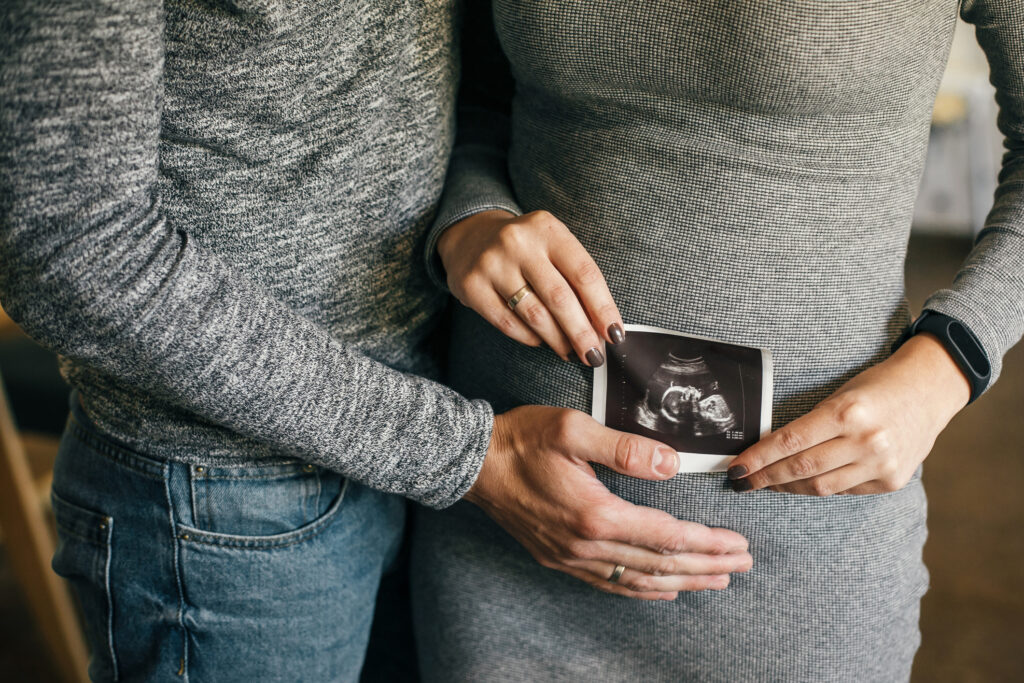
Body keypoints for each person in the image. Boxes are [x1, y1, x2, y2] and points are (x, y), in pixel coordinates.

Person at [0, 1, 754, 681]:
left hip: (428, 435)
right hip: (227, 501)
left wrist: (471, 217)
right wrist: (455, 451)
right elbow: (66, 243)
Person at [412, 1, 1024, 680]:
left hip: (798, 568)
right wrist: (471, 220)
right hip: (512, 516)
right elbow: (476, 97)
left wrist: (952, 361)